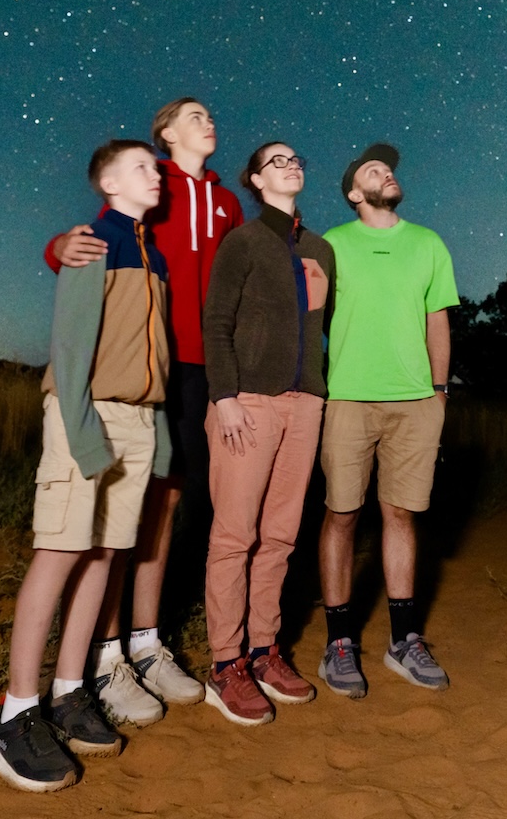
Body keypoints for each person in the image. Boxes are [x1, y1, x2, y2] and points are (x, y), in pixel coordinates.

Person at [0, 140, 173, 792]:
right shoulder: (94, 240)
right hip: (84, 414)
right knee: (60, 552)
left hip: (139, 420)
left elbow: (155, 353)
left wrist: (159, 429)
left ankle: (68, 690)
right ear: (109, 181)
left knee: (107, 554)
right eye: (144, 166)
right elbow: (70, 341)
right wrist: (84, 429)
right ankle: (13, 715)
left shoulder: (156, 253)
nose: (157, 174)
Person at [43, 98, 239, 723]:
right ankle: (103, 654)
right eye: (194, 114)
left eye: (211, 114)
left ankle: (147, 644)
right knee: (134, 506)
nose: (210, 121)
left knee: (172, 501)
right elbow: (99, 238)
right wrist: (58, 245)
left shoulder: (228, 201)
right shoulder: (156, 187)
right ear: (165, 135)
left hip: (207, 366)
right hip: (156, 363)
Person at [197, 142, 336, 725]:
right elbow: (217, 320)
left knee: (280, 535)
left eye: (297, 157)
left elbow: (326, 325)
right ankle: (224, 663)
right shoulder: (245, 241)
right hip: (247, 402)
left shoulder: (321, 249)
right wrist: (224, 396)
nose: (292, 163)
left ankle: (263, 649)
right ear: (256, 179)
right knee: (235, 535)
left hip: (306, 403)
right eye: (277, 160)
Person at [316, 143, 460, 697]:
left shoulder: (427, 244)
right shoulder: (333, 244)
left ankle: (403, 640)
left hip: (415, 402)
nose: (388, 171)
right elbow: (311, 315)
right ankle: (339, 644)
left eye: (390, 167)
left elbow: (437, 320)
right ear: (355, 193)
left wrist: (439, 392)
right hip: (348, 399)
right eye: (373, 169)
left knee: (400, 514)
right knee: (342, 515)